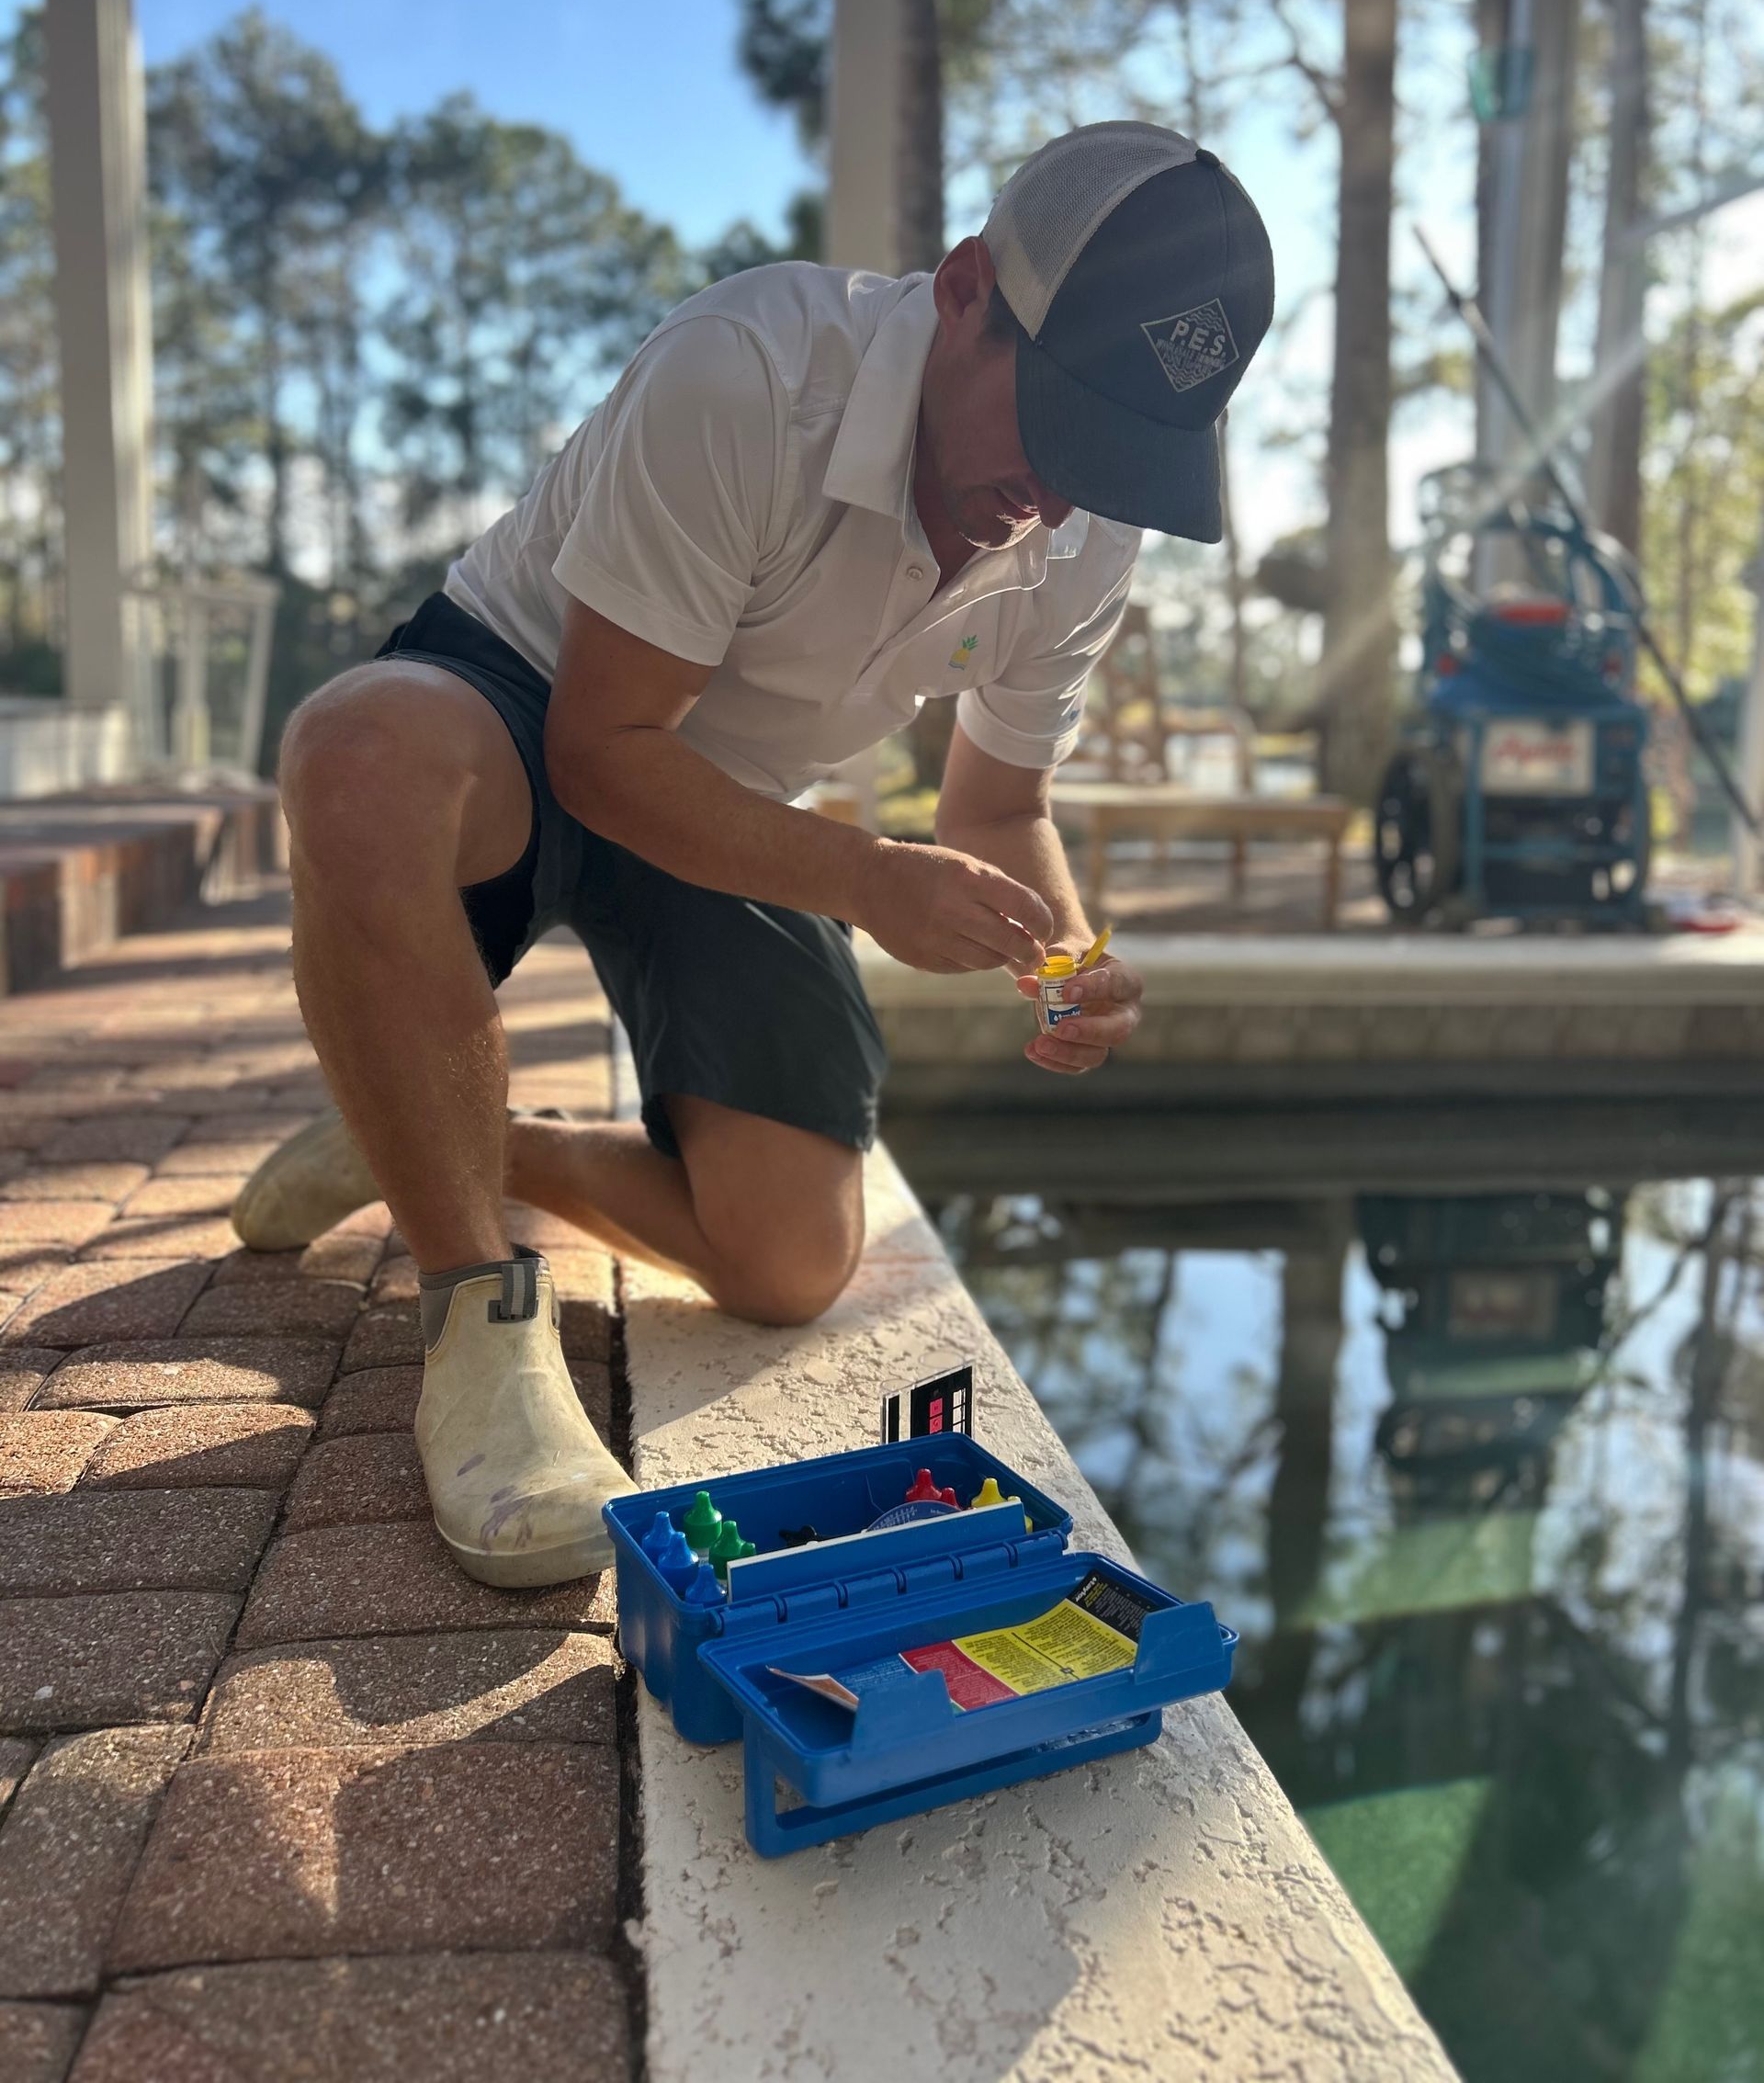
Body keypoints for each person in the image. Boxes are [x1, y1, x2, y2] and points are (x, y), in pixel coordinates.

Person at [234, 120, 1275, 1590]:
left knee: (787, 1263)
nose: (1052, 489)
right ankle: (473, 1311)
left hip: (733, 789)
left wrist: (1073, 960)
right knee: (358, 756)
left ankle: (422, 1140)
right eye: (1054, 416)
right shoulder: (752, 368)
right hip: (538, 696)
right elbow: (603, 754)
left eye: (1114, 451)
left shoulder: (1086, 525)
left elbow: (994, 808)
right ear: (967, 288)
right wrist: (869, 882)